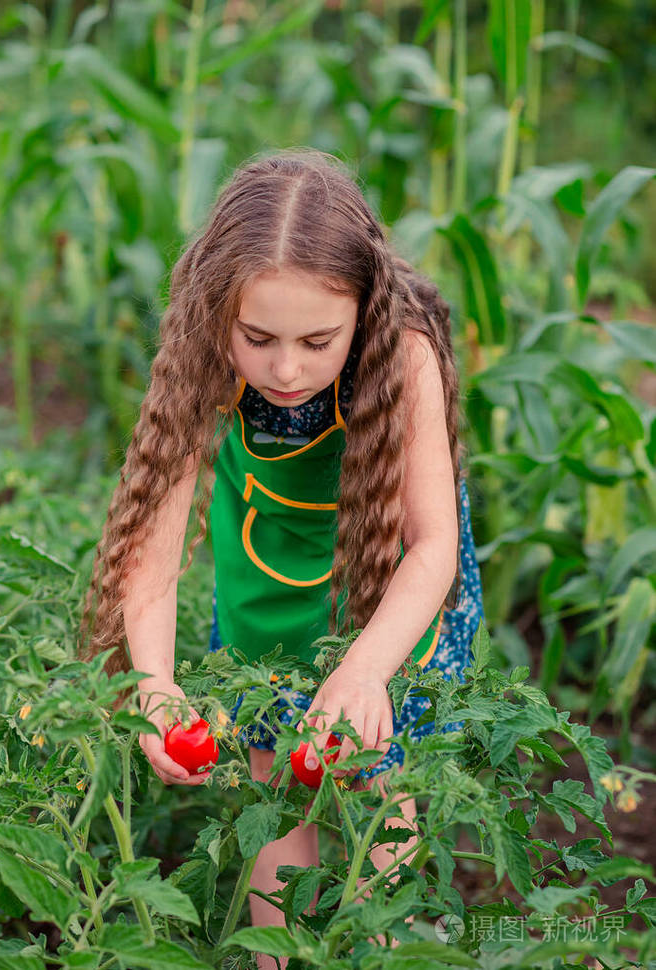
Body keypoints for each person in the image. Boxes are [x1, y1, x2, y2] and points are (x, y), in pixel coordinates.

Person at [78, 148, 484, 965]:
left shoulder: (399, 355)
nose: (287, 368)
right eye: (258, 338)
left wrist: (368, 667)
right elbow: (150, 569)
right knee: (272, 784)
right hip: (266, 596)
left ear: (362, 315)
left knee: (384, 786)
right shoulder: (205, 360)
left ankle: (382, 942)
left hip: (391, 604)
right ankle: (277, 956)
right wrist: (155, 685)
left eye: (317, 340)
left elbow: (431, 545)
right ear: (219, 315)